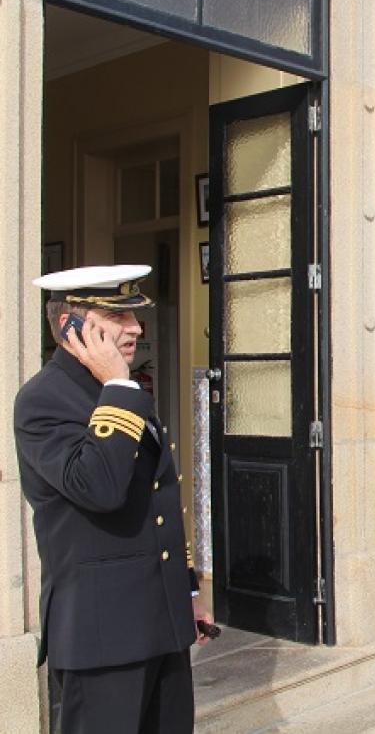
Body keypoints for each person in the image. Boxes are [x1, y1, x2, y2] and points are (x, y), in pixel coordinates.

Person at [14, 265, 212, 733]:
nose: (137, 329)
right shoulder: (44, 400)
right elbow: (98, 488)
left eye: (135, 317)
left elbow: (160, 498)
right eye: (120, 318)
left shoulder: (117, 390)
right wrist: (119, 387)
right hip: (102, 636)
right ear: (72, 326)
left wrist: (185, 593)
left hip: (160, 622)